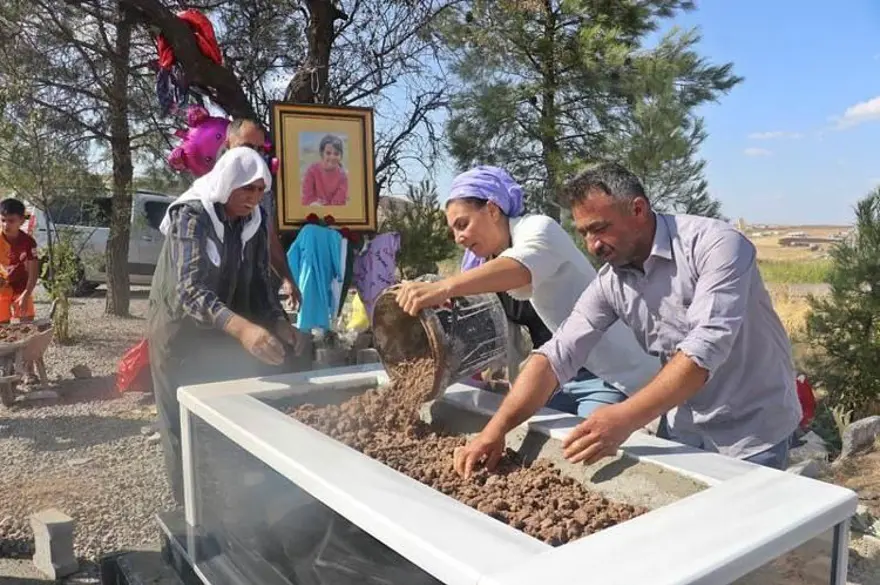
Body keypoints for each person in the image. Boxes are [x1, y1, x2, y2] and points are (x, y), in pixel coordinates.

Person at [453, 163, 802, 478]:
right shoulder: (612, 281)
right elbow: (556, 355)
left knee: (743, 538)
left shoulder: (716, 245)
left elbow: (704, 350)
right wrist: (494, 431)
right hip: (683, 422)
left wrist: (624, 418)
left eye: (600, 228)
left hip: (752, 429)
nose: (592, 245)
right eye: (584, 233)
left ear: (637, 210)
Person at [395, 166, 660, 417]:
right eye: (453, 230)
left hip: (605, 373)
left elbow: (519, 267)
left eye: (463, 224)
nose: (458, 238)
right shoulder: (483, 265)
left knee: (580, 447)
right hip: (554, 375)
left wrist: (443, 287)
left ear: (492, 209)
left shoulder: (539, 229)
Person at [148, 147, 308, 504]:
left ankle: (228, 500)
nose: (252, 199)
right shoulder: (192, 215)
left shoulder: (254, 219)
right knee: (181, 419)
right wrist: (243, 329)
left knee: (221, 411)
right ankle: (189, 506)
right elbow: (189, 290)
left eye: (259, 190)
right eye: (245, 190)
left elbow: (257, 280)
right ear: (227, 184)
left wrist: (278, 323)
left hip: (220, 325)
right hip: (177, 327)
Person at [224, 118, 301, 309]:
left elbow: (269, 237)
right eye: (247, 147)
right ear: (228, 145)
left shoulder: (262, 188)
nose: (253, 155)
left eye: (260, 150)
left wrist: (287, 278)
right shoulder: (205, 192)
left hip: (247, 292)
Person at [0, 198, 38, 324]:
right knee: (2, 326)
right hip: (2, 285)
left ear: (21, 221)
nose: (6, 225)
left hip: (21, 285)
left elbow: (34, 272)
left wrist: (26, 294)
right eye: (3, 220)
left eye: (11, 221)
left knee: (27, 322)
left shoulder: (28, 242)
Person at [301, 134, 348, 207]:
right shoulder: (312, 171)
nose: (332, 157)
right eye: (328, 153)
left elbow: (338, 203)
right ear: (322, 153)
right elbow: (307, 198)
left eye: (336, 154)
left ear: (341, 156)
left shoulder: (343, 177)